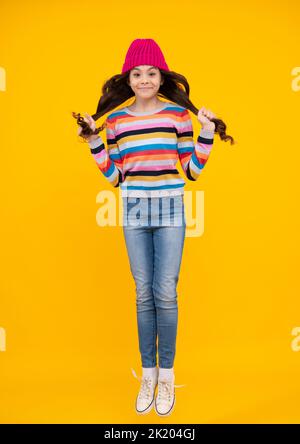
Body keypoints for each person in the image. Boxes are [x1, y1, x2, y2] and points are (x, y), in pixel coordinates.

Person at [75, 38, 234, 417]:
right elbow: (115, 176)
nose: (144, 79)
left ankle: (167, 376)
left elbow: (192, 170)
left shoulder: (177, 117)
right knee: (143, 293)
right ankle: (148, 374)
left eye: (151, 73)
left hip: (170, 211)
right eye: (137, 73)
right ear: (127, 79)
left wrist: (207, 132)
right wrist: (94, 140)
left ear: (161, 77)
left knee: (165, 292)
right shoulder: (115, 121)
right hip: (132, 210)